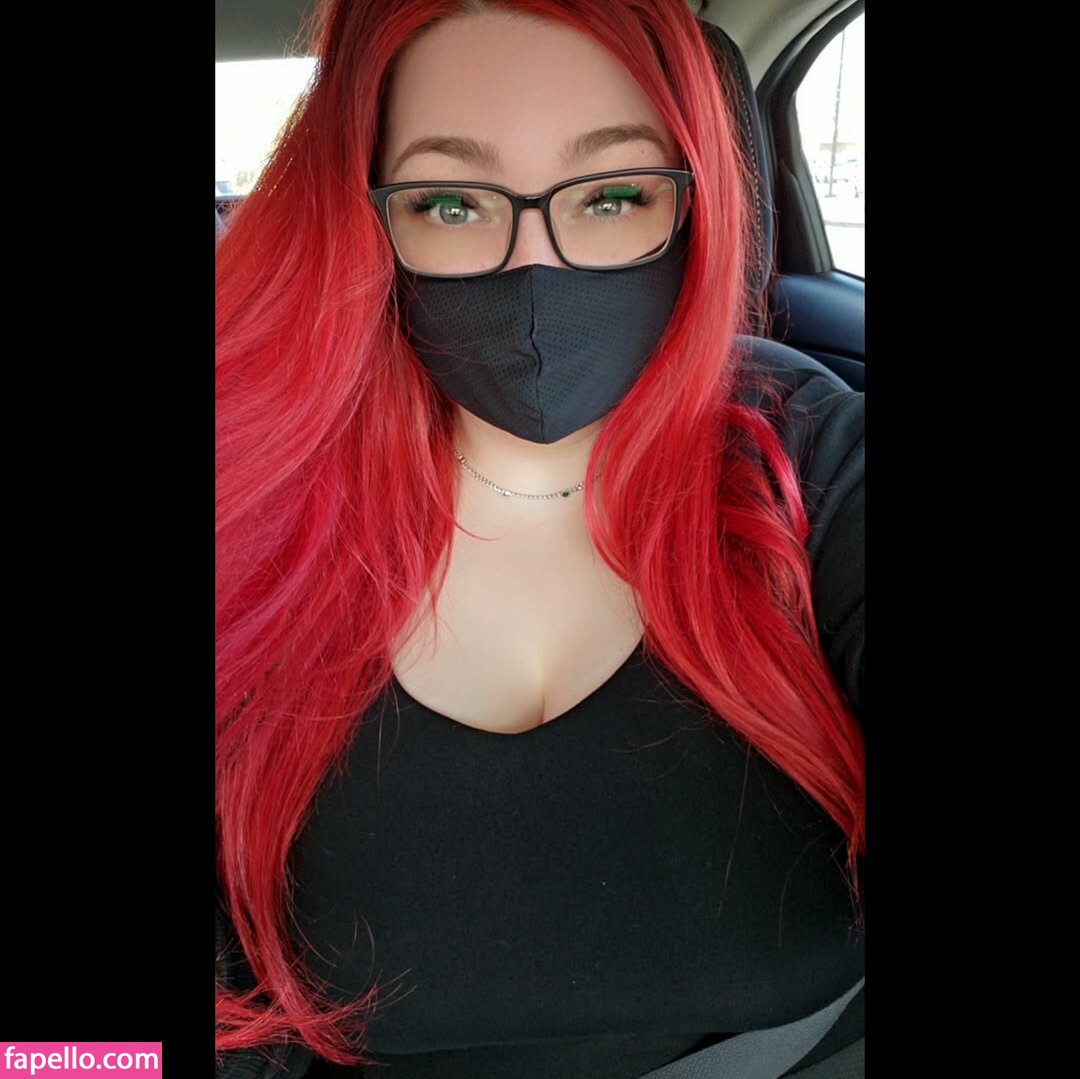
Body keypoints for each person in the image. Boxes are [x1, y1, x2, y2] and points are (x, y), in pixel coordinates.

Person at [215, 1, 865, 1077]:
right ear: (366, 217)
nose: (535, 275)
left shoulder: (811, 457)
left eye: (613, 195)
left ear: (693, 203)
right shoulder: (250, 493)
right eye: (451, 203)